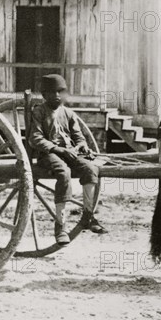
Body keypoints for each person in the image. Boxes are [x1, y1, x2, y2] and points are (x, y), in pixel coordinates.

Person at [28, 74, 106, 245]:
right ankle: (60, 226)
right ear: (44, 95)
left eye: (60, 92)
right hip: (48, 154)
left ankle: (88, 216)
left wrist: (82, 146)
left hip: (70, 153)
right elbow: (35, 138)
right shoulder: (39, 112)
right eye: (52, 92)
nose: (57, 96)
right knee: (64, 173)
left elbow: (79, 137)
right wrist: (58, 149)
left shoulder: (69, 114)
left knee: (91, 169)